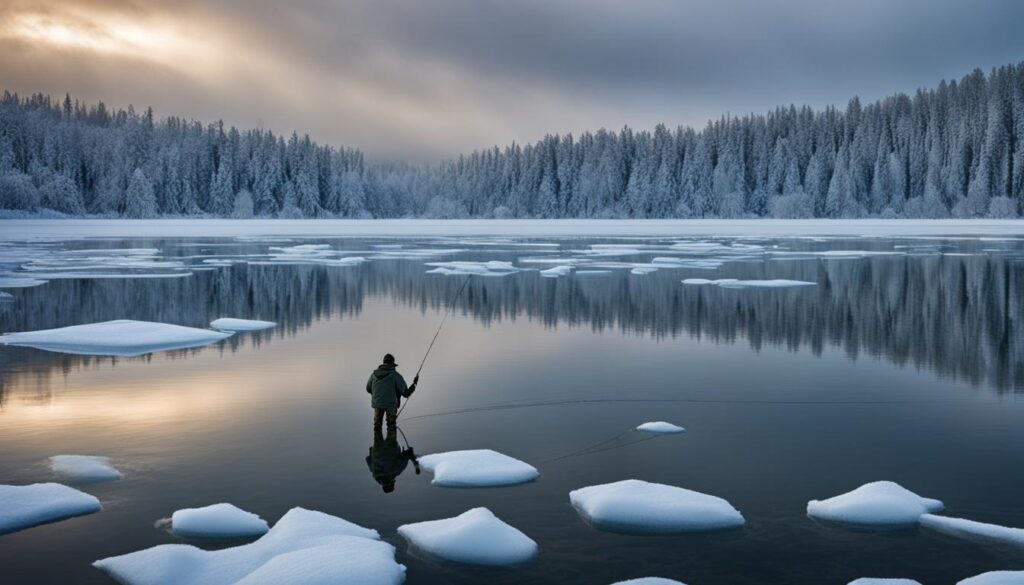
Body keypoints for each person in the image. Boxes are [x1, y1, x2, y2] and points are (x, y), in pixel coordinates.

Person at [366, 353, 417, 432]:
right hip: (391, 405)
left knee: (377, 426)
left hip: (377, 404)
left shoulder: (373, 375)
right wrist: (414, 385)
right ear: (391, 364)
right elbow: (406, 393)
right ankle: (391, 442)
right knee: (391, 426)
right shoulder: (395, 375)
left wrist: (378, 394)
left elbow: (368, 389)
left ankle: (377, 442)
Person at [365, 428, 420, 493]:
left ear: (391, 483)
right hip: (377, 447)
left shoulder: (396, 471)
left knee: (392, 430)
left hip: (391, 447)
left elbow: (406, 456)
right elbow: (368, 458)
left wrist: (411, 455)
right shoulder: (373, 471)